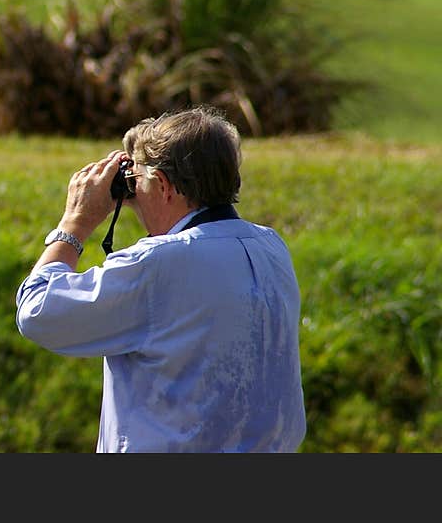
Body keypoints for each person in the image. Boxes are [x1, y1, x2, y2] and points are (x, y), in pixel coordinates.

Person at [15, 107, 306, 452]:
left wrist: (75, 224)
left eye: (134, 183)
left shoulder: (159, 264)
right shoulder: (271, 248)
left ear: (164, 186)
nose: (131, 195)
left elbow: (38, 312)